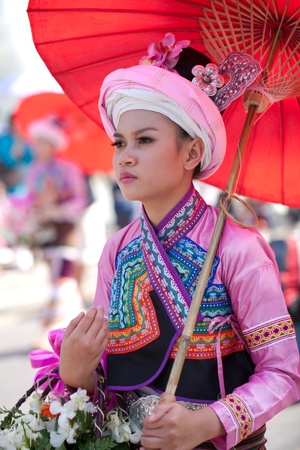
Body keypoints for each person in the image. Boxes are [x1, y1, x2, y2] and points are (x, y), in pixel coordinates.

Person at [58, 35, 300, 449]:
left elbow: (284, 373)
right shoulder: (116, 250)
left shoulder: (237, 249)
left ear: (192, 153)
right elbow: (106, 383)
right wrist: (76, 373)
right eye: (120, 142)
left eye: (145, 140)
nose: (125, 156)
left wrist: (208, 422)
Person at [24, 117, 89, 339]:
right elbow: (31, 200)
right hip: (45, 233)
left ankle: (51, 330)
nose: (36, 146)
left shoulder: (68, 169)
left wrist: (58, 210)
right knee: (58, 279)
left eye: (41, 142)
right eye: (36, 142)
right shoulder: (33, 171)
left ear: (52, 144)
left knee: (63, 279)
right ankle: (72, 331)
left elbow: (80, 200)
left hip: (66, 232)